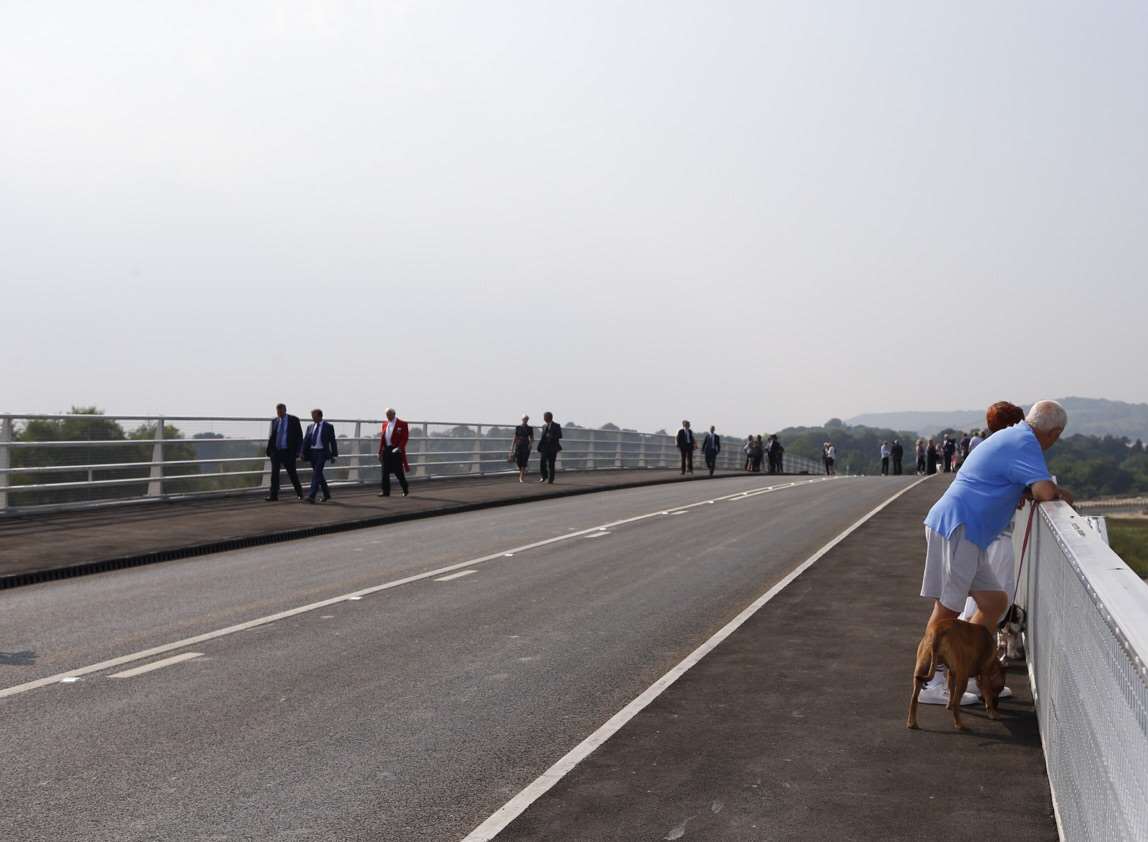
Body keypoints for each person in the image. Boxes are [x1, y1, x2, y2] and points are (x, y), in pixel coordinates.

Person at [916, 400, 1074, 706]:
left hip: (967, 530)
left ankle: (963, 668)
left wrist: (1021, 491)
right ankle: (929, 683)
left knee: (994, 602)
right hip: (960, 527)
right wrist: (1060, 494)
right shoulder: (1026, 443)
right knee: (946, 610)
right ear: (1053, 432)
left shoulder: (1015, 436)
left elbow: (1014, 482)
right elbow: (1045, 491)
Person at [264, 403, 304, 501]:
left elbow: (299, 436)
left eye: (280, 411)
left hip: (288, 451)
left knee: (292, 474)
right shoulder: (275, 421)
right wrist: (269, 450)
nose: (279, 413)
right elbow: (272, 437)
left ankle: (300, 494)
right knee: (274, 475)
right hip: (276, 452)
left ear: (285, 410)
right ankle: (273, 496)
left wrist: (299, 451)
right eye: (277, 411)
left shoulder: (294, 420)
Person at [301, 408, 337, 503]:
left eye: (314, 416)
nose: (313, 418)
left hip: (322, 452)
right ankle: (326, 494)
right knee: (319, 475)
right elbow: (305, 441)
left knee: (316, 474)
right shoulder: (310, 427)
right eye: (312, 416)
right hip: (312, 452)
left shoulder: (328, 426)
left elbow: (332, 441)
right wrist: (302, 452)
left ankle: (311, 496)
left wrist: (334, 455)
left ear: (320, 416)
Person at [377, 408, 410, 497]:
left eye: (389, 414)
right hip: (386, 450)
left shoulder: (402, 424)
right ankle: (385, 491)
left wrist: (399, 447)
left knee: (398, 471)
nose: (387, 416)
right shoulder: (384, 424)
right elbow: (382, 439)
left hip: (396, 450)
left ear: (394, 414)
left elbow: (405, 438)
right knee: (385, 472)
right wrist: (380, 452)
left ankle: (405, 489)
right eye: (386, 415)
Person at [537, 411, 562, 483]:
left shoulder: (557, 425)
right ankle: (543, 476)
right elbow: (542, 437)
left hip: (553, 448)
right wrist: (539, 447)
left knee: (551, 463)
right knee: (542, 462)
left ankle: (551, 479)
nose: (544, 418)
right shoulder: (544, 426)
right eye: (544, 417)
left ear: (550, 417)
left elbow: (560, 435)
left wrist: (551, 436)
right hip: (544, 448)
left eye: (545, 417)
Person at [512, 415, 534, 482]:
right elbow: (515, 437)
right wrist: (512, 446)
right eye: (525, 419)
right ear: (522, 419)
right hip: (518, 445)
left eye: (527, 419)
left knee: (524, 461)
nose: (526, 420)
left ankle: (521, 477)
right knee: (518, 461)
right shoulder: (518, 427)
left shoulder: (530, 428)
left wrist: (530, 444)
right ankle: (522, 471)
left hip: (526, 446)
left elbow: (532, 438)